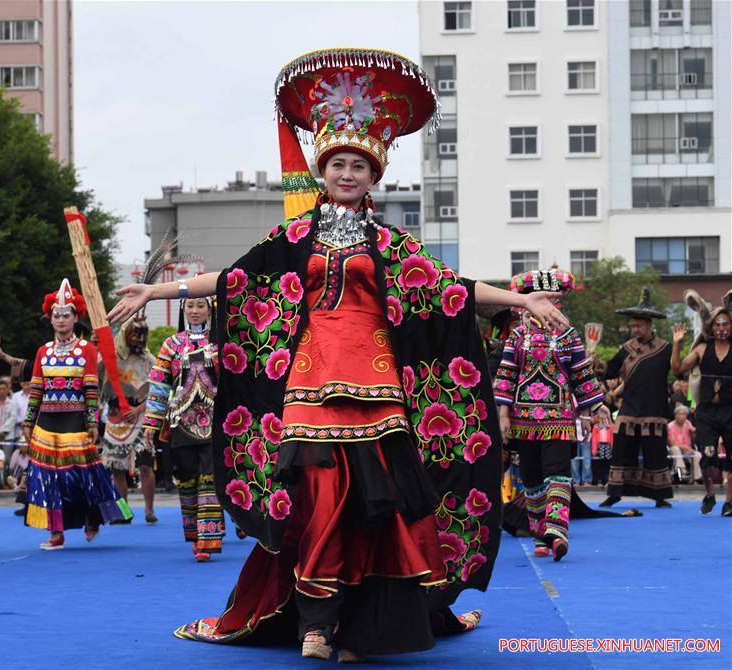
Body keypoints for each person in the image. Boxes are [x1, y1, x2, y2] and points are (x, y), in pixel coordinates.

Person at [109, 48, 569, 660]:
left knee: (374, 503)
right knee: (319, 494)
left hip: (377, 385)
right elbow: (235, 280)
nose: (347, 173)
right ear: (322, 170)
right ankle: (316, 624)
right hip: (310, 381)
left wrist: (519, 298)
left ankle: (362, 625)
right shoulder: (295, 237)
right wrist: (157, 289)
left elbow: (450, 289)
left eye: (358, 165)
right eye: (337, 164)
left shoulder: (391, 242)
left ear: (374, 174)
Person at [494, 269, 604, 561]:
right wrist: (503, 415)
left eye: (554, 299)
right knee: (531, 479)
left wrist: (596, 406)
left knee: (557, 472)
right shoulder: (517, 336)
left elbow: (582, 374)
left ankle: (557, 532)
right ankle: (540, 534)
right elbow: (506, 375)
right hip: (522, 421)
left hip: (558, 418)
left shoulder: (568, 335)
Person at [22, 278, 131, 550]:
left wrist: (92, 422)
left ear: (75, 317)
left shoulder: (86, 350)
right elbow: (36, 389)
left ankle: (92, 517)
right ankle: (56, 532)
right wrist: (28, 421)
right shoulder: (42, 352)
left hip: (76, 421)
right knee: (49, 479)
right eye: (56, 315)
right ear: (50, 319)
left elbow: (91, 389)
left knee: (83, 476)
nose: (60, 319)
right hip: (46, 423)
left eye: (66, 315)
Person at [144, 298, 223, 559]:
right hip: (181, 423)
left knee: (209, 477)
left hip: (214, 421)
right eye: (190, 306)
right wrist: (151, 423)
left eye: (201, 306)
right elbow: (158, 385)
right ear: (183, 309)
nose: (195, 311)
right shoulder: (172, 344)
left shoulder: (220, 343)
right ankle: (194, 533)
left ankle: (208, 538)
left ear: (210, 309)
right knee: (187, 478)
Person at [601, 289, 673, 508]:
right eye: (632, 326)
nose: (634, 330)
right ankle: (615, 493)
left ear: (649, 325)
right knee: (622, 450)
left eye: (638, 326)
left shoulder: (665, 348)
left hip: (655, 408)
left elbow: (679, 369)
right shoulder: (626, 349)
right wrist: (594, 364)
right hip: (629, 408)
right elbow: (610, 370)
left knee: (656, 452)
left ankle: (659, 496)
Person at [671, 289, 732, 515]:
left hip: (730, 411)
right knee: (707, 456)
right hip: (706, 412)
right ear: (711, 327)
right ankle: (709, 495)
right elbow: (677, 369)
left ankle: (729, 501)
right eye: (717, 325)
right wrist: (677, 344)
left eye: (725, 324)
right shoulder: (702, 348)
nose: (721, 329)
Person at [101, 315, 157, 524]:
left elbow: (158, 391)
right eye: (135, 334)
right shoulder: (112, 358)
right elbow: (99, 375)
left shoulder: (150, 361)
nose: (138, 339)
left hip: (140, 415)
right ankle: (123, 510)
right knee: (117, 467)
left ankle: (149, 510)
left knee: (144, 465)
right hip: (116, 415)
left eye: (142, 335)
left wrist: (140, 408)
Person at [666, 404, 701, 484]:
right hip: (675, 449)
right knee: (675, 448)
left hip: (687, 449)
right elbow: (670, 443)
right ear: (675, 415)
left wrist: (693, 433)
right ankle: (682, 469)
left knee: (697, 454)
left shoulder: (688, 423)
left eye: (684, 414)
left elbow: (693, 439)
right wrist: (684, 447)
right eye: (680, 414)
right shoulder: (670, 426)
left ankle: (695, 478)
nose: (682, 416)